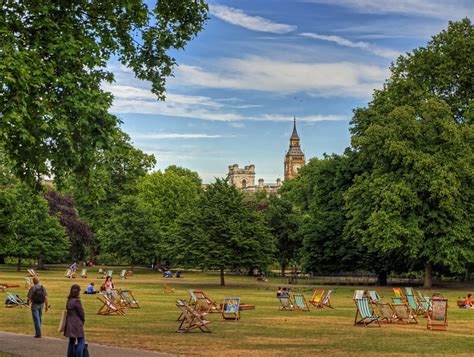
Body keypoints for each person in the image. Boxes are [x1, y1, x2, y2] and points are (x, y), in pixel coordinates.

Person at [65, 284, 85, 357]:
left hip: (69, 322)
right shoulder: (77, 301)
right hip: (77, 322)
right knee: (81, 340)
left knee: (71, 341)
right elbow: (81, 313)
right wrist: (83, 320)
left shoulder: (69, 300)